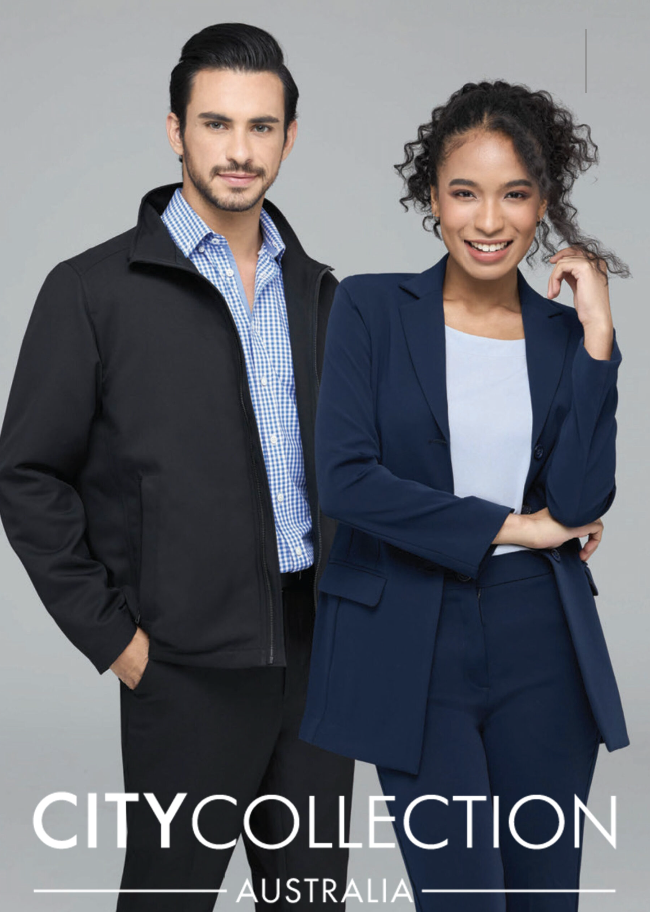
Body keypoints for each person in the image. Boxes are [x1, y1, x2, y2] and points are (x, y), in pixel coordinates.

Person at [0, 22, 354, 911]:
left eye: (261, 127)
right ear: (176, 131)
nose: (239, 152)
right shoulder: (92, 292)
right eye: (216, 124)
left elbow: (377, 466)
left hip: (318, 652)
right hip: (183, 665)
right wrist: (116, 642)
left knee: (311, 900)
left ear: (289, 137)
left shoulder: (322, 294)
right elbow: (27, 474)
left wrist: (537, 518)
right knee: (168, 900)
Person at [299, 80, 630, 911]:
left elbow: (586, 497)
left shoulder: (562, 337)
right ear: (432, 200)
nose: (490, 221)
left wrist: (598, 338)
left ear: (543, 201)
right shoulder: (371, 309)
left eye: (515, 194)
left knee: (544, 900)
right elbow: (345, 480)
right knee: (463, 902)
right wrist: (518, 526)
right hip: (413, 638)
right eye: (465, 193)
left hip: (543, 642)